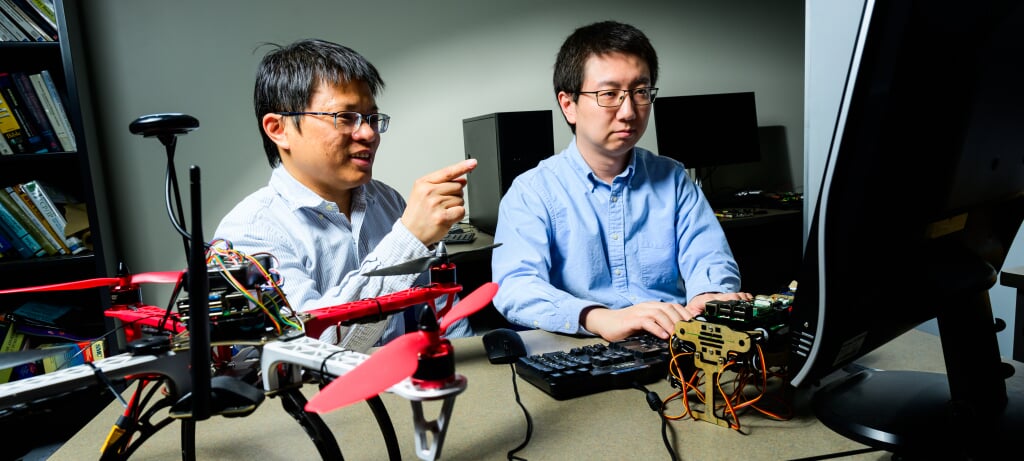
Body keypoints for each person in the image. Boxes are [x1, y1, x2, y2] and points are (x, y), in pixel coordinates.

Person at [491, 21, 751, 343]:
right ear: (568, 105)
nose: (628, 111)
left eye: (640, 92)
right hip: (582, 345)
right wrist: (599, 318)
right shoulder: (531, 192)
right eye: (609, 94)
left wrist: (708, 296)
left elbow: (709, 257)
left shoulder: (673, 178)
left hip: (670, 340)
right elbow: (515, 287)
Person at [215, 38, 475, 349]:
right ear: (278, 129)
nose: (368, 134)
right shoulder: (249, 233)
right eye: (345, 118)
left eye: (372, 118)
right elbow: (314, 352)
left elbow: (444, 318)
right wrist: (409, 240)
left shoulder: (389, 201)